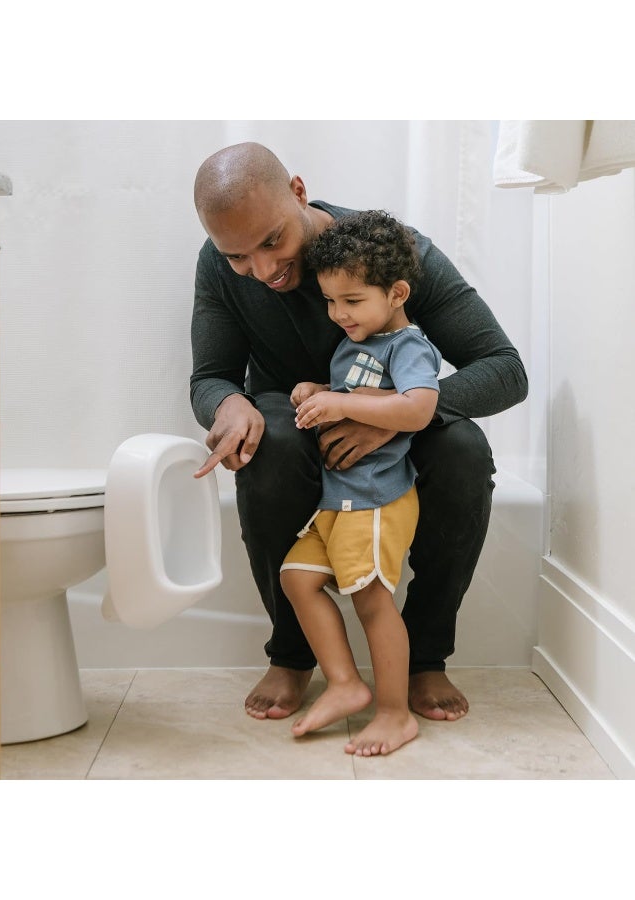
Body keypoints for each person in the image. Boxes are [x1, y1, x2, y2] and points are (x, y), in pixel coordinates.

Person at [191, 141, 528, 723]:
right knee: (266, 445)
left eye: (272, 242)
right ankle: (293, 655)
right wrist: (227, 403)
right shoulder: (218, 265)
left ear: (298, 191)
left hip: (395, 424)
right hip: (292, 423)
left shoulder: (392, 253)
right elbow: (211, 377)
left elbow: (504, 369)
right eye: (239, 257)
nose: (263, 271)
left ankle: (425, 658)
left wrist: (387, 412)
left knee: (464, 450)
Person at [280, 209, 441, 756]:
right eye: (330, 301)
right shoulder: (360, 343)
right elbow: (364, 393)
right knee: (298, 578)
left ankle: (395, 713)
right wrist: (318, 389)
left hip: (375, 498)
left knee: (373, 602)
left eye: (352, 301)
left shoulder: (407, 346)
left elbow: (418, 407)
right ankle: (346, 683)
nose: (338, 313)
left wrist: (339, 401)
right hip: (338, 497)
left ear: (396, 293)